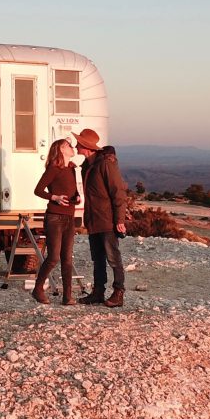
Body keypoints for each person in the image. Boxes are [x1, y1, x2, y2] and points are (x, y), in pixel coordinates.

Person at [72, 128, 127, 307]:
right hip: (94, 219)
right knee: (97, 258)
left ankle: (119, 293)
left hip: (107, 220)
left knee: (113, 257)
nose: (75, 145)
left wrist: (119, 220)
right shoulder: (88, 165)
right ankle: (98, 292)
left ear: (85, 146)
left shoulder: (104, 164)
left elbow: (118, 193)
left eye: (78, 143)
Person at [31, 138, 79, 305]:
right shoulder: (54, 168)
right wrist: (54, 197)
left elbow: (73, 189)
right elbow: (38, 190)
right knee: (53, 257)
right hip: (54, 218)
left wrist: (77, 197)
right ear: (59, 150)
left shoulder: (72, 169)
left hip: (69, 217)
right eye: (67, 145)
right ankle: (37, 289)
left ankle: (67, 296)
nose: (71, 147)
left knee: (67, 259)